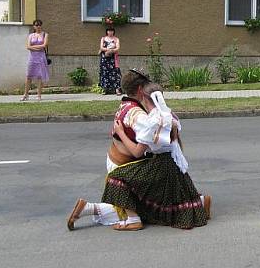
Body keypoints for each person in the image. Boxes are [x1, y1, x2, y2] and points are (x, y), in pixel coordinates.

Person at [67, 70, 211, 231]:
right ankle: (199, 201)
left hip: (140, 162)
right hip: (139, 162)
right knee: (142, 202)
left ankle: (94, 209)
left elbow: (139, 149)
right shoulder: (147, 114)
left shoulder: (130, 108)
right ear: (141, 90)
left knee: (140, 204)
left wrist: (121, 132)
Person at [21, 19, 49, 101]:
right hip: (32, 58)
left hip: (41, 57)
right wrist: (38, 47)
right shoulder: (31, 35)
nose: (38, 26)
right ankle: (26, 94)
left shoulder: (45, 34)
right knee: (28, 76)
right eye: (36, 25)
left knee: (40, 76)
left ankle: (39, 95)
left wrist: (33, 48)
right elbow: (28, 47)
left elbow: (44, 45)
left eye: (40, 24)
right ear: (34, 26)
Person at [98, 26, 122, 95]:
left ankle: (117, 90)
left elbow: (117, 48)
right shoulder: (103, 38)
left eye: (111, 31)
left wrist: (112, 51)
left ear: (113, 31)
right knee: (105, 73)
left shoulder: (116, 39)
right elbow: (101, 48)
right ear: (107, 31)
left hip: (113, 59)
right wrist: (108, 50)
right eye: (109, 31)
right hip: (104, 58)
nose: (110, 32)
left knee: (115, 73)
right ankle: (105, 89)